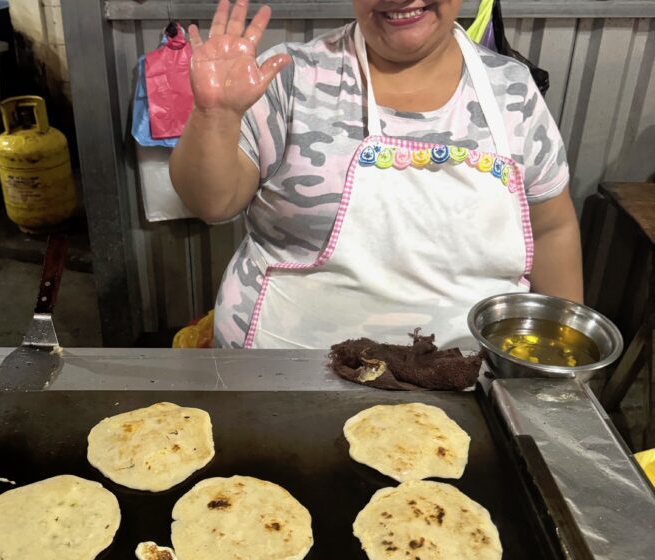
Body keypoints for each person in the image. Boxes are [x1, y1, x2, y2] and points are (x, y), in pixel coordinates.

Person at [170, 0, 582, 349]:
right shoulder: (290, 76)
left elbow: (552, 229)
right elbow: (213, 203)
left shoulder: (511, 90)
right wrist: (216, 116)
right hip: (285, 365)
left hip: (467, 371)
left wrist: (561, 350)